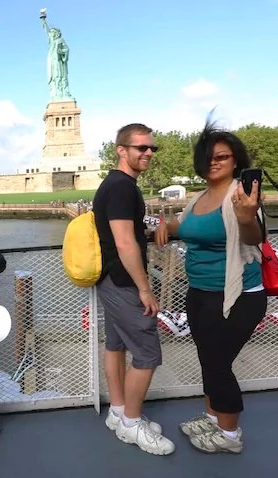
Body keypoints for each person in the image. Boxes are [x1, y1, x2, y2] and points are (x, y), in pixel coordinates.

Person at [155, 121, 266, 454]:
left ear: (236, 161)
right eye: (209, 157)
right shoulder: (199, 198)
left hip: (237, 297)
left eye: (223, 156)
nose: (215, 162)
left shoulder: (241, 196)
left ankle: (230, 436)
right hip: (200, 293)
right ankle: (213, 417)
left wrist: (247, 217)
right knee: (208, 358)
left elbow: (254, 237)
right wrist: (165, 225)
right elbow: (184, 224)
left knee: (218, 363)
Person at [93, 123, 175, 456]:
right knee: (147, 353)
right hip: (124, 282)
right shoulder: (123, 187)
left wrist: (151, 227)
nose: (149, 153)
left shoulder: (113, 186)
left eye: (152, 148)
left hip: (109, 278)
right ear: (122, 150)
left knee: (115, 345)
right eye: (141, 148)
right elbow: (125, 242)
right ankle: (131, 422)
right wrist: (145, 288)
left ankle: (117, 411)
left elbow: (125, 231)